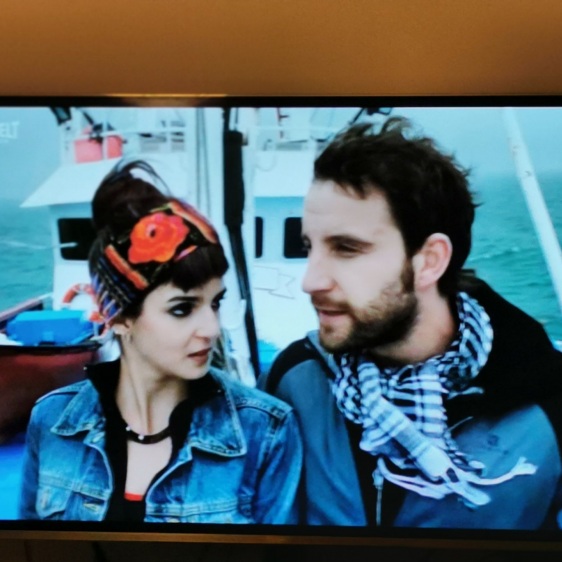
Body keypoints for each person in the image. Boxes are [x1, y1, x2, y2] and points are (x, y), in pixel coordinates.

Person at [260, 118, 562, 529]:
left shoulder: (548, 402)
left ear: (430, 261)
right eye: (308, 246)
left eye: (346, 248)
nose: (310, 281)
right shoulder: (294, 380)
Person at [19, 161, 302, 524]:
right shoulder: (51, 421)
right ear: (120, 317)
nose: (212, 328)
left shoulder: (265, 432)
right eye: (182, 309)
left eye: (215, 303)